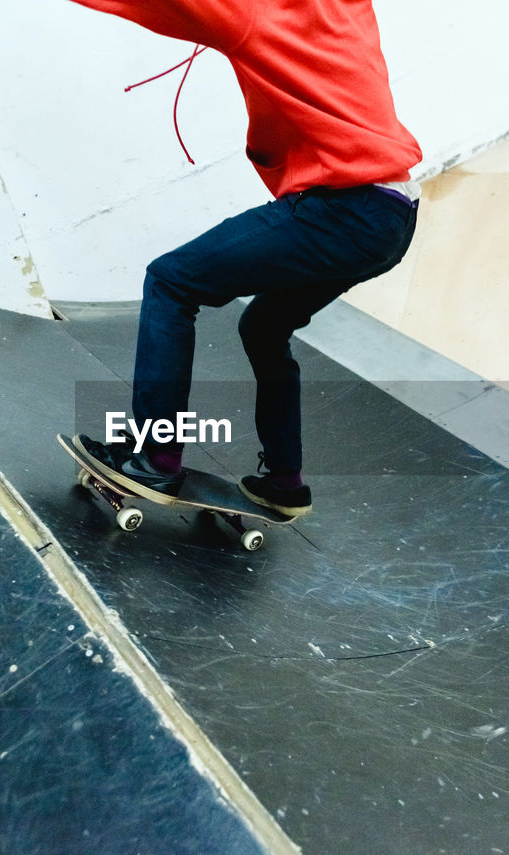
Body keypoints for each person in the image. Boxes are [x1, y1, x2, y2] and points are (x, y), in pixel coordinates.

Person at [68, 0, 421, 517]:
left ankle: (155, 459)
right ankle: (285, 480)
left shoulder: (251, 12)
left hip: (342, 210)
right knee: (264, 328)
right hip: (395, 214)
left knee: (171, 282)